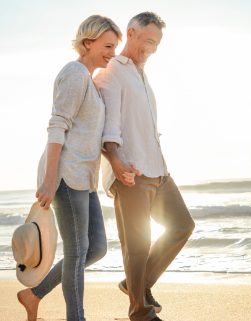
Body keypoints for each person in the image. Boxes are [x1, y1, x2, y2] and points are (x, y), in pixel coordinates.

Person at [17, 15, 125, 321]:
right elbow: (56, 126)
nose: (111, 53)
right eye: (107, 46)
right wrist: (50, 180)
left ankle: (33, 294)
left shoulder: (89, 81)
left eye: (114, 47)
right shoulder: (74, 74)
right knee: (77, 253)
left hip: (84, 179)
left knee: (96, 249)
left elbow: (90, 135)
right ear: (87, 42)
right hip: (65, 176)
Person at [94, 11, 195, 321]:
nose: (152, 48)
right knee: (137, 246)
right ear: (132, 33)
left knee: (182, 225)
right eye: (148, 40)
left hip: (158, 169)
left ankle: (136, 284)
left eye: (157, 43)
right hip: (131, 171)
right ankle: (141, 313)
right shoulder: (112, 70)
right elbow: (108, 125)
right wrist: (117, 161)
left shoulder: (141, 72)